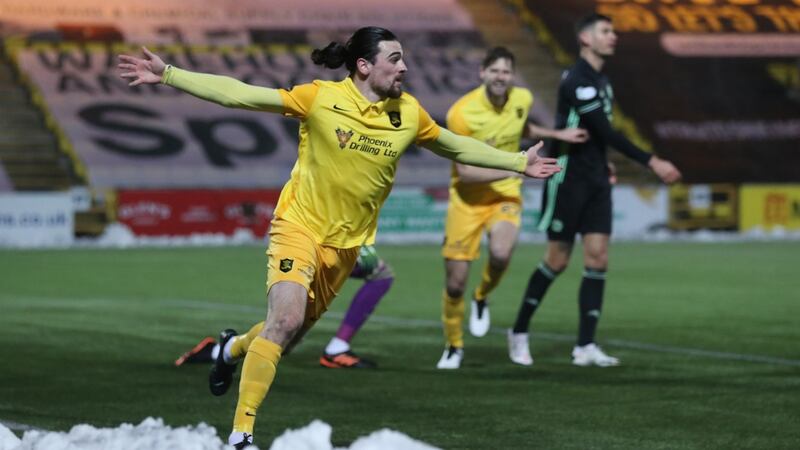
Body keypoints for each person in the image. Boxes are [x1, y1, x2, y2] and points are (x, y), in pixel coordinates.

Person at [119, 27, 560, 449]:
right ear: (364, 66)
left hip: (346, 248)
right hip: (298, 226)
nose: (404, 67)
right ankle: (240, 436)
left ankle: (229, 350)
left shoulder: (408, 113)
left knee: (283, 337)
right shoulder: (321, 98)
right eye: (395, 58)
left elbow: (455, 145)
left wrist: (518, 162)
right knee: (285, 321)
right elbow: (241, 94)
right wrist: (169, 74)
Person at [507, 13, 681, 368]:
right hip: (567, 178)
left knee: (598, 258)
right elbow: (604, 131)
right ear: (586, 39)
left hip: (597, 178)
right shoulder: (577, 79)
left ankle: (585, 346)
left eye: (613, 30)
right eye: (605, 31)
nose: (612, 36)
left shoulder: (602, 80)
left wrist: (604, 163)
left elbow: (595, 137)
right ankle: (519, 331)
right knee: (557, 260)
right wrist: (652, 161)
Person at [436, 47, 588, 369]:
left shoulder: (522, 99)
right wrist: (517, 167)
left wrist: (557, 134)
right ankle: (454, 345)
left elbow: (524, 128)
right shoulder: (461, 113)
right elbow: (465, 172)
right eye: (495, 70)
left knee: (503, 253)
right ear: (482, 73)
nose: (500, 77)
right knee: (454, 283)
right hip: (467, 198)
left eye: (506, 71)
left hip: (505, 194)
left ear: (512, 76)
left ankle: (482, 296)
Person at [174, 245, 393, 369]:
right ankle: (220, 350)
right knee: (284, 332)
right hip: (310, 233)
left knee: (286, 336)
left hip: (335, 230)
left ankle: (337, 348)